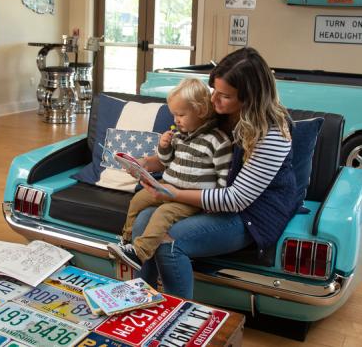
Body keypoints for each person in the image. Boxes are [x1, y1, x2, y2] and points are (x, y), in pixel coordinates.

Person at [131, 48, 298, 299]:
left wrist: (175, 194)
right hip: (209, 197)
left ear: (250, 98)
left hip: (251, 214)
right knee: (143, 220)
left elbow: (236, 199)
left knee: (169, 245)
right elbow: (191, 158)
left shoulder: (272, 135)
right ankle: (139, 301)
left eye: (225, 96)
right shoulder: (221, 114)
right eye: (214, 91)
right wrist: (147, 163)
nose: (214, 100)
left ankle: (177, 317)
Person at [108, 78, 232, 271]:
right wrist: (163, 147)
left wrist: (213, 204)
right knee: (138, 200)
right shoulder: (179, 136)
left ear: (200, 111)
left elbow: (224, 176)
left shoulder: (217, 141)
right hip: (165, 187)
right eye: (174, 114)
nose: (175, 120)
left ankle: (139, 253)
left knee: (163, 214)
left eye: (181, 114)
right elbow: (166, 162)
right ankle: (126, 240)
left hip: (188, 199)